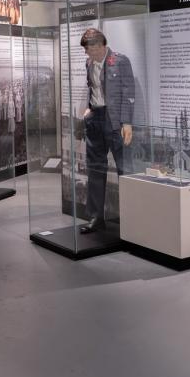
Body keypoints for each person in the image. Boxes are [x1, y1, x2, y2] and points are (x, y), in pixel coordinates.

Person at [79, 28, 134, 233]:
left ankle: (131, 218)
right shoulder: (89, 63)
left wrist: (126, 123)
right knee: (95, 168)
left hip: (115, 122)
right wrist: (88, 109)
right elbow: (93, 89)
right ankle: (96, 217)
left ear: (100, 45)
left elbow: (129, 92)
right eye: (86, 50)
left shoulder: (120, 61)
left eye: (90, 49)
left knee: (124, 170)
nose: (87, 54)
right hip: (95, 120)